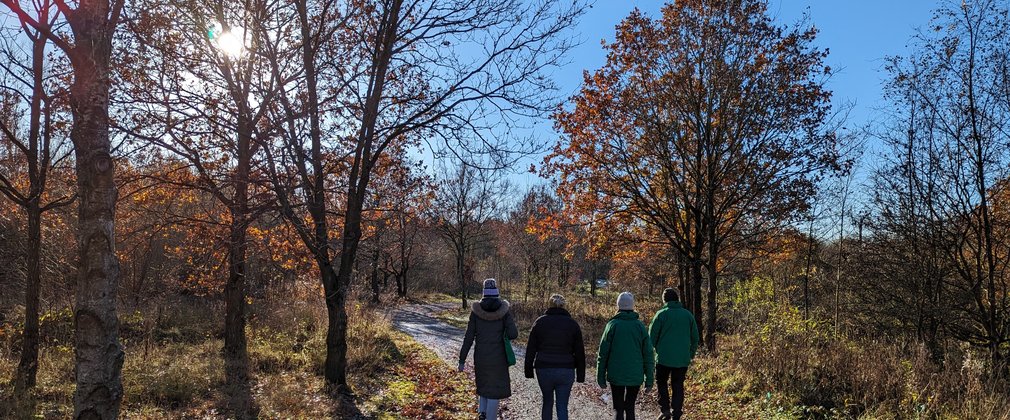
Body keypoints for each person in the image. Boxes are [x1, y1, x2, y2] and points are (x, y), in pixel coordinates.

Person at [459, 278, 519, 420]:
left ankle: (482, 413)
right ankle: (489, 417)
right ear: (496, 291)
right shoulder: (504, 311)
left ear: (484, 292)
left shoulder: (476, 312)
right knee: (494, 391)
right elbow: (513, 334)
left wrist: (462, 360)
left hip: (481, 358)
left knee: (484, 386)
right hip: (499, 359)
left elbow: (468, 337)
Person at [525, 294, 587, 420]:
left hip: (544, 368)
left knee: (547, 402)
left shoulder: (540, 322)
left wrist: (528, 370)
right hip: (566, 369)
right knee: (562, 405)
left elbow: (531, 348)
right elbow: (579, 351)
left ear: (549, 305)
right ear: (564, 306)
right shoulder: (572, 324)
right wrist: (581, 374)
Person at [597, 292, 655, 420]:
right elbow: (648, 354)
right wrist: (649, 379)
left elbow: (603, 353)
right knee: (630, 408)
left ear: (618, 306)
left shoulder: (612, 325)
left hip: (616, 374)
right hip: (635, 375)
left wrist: (600, 376)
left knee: (618, 409)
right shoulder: (640, 327)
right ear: (632, 306)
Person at [648, 288, 699, 420]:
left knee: (661, 382)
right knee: (678, 385)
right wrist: (691, 353)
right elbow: (695, 337)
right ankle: (676, 412)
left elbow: (651, 337)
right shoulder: (688, 315)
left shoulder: (661, 314)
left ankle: (665, 409)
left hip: (663, 357)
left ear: (665, 300)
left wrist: (655, 349)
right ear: (677, 299)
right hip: (682, 358)